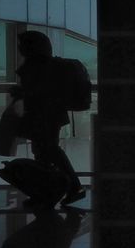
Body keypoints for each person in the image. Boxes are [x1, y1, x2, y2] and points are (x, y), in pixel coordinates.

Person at [11, 31, 83, 205]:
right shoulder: (47, 65)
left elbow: (39, 92)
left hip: (42, 116)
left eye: (22, 45)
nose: (20, 48)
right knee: (47, 151)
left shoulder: (36, 66)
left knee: (47, 151)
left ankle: (61, 189)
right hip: (51, 116)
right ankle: (55, 190)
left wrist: (23, 93)